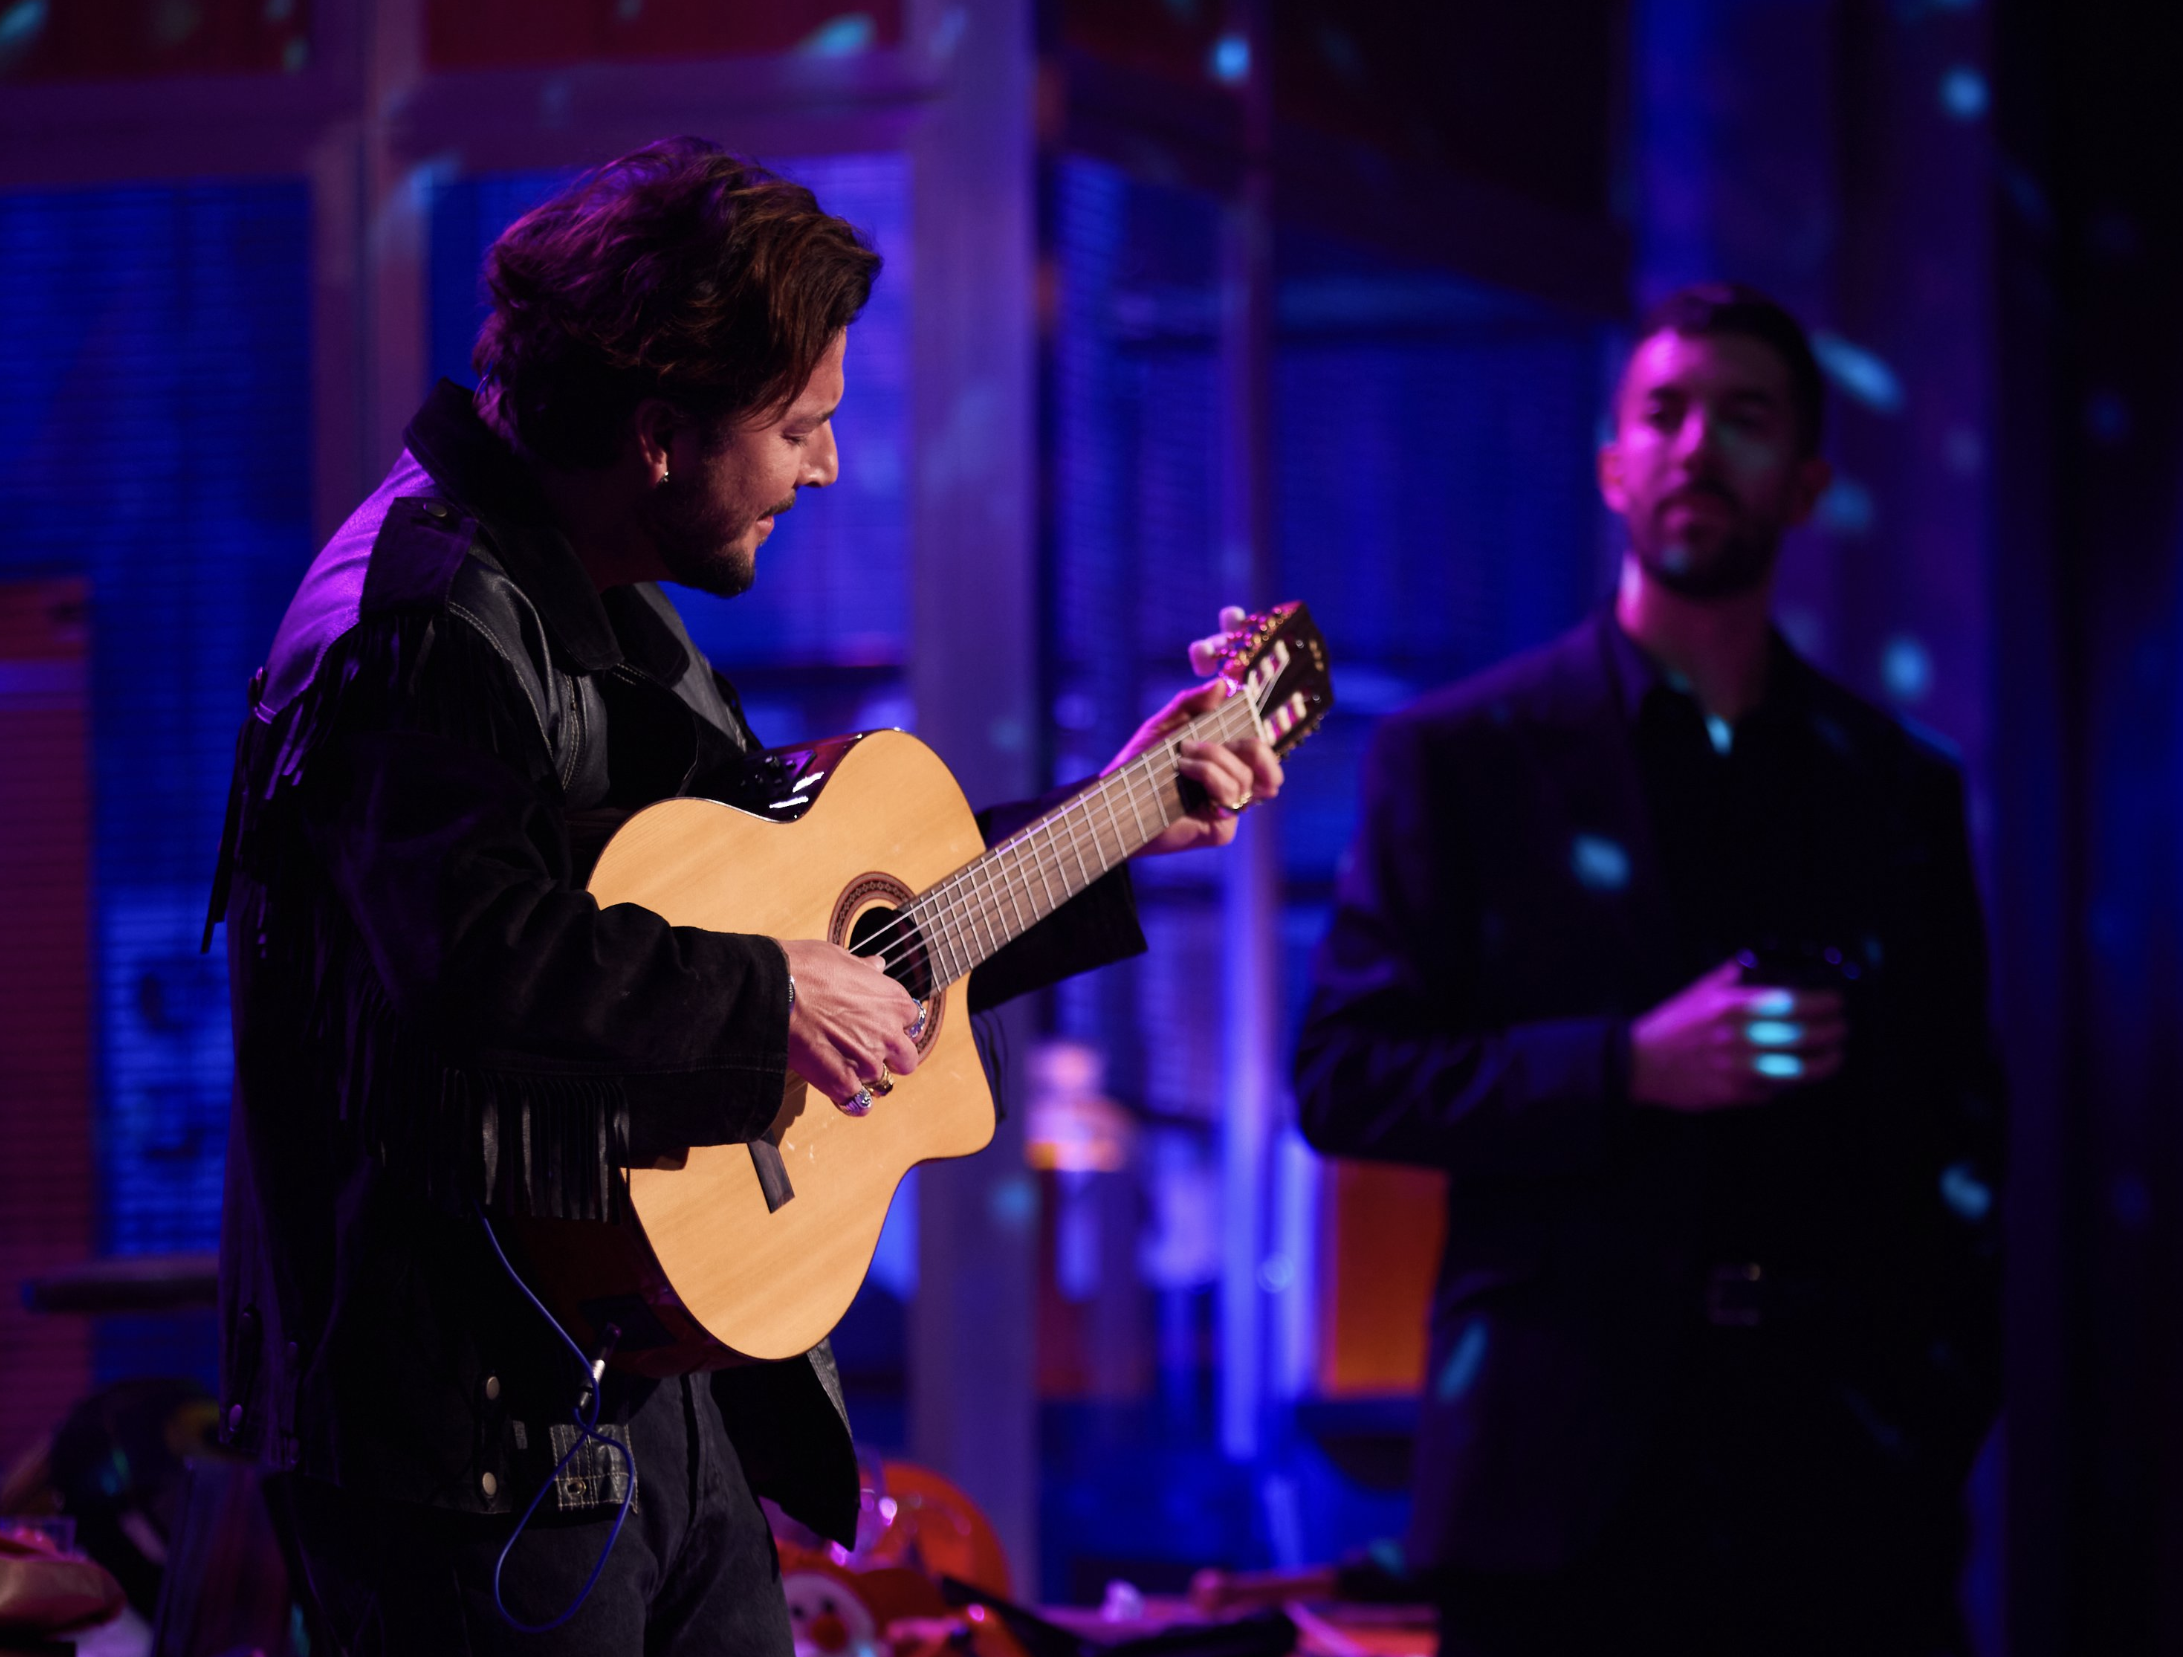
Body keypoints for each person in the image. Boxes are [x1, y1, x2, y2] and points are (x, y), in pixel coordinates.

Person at [207, 137, 1280, 1654]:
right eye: (799, 428)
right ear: (659, 434)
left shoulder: (591, 584)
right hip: (467, 1445)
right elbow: (467, 950)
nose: (827, 467)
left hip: (643, 1383)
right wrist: (776, 1000)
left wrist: (1123, 814)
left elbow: (826, 915)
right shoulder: (425, 618)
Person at [1293, 283, 2002, 1653]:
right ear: (1613, 466)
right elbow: (1344, 1077)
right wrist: (1628, 1066)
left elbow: (1962, 1141)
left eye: (1743, 419)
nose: (1696, 447)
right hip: (1553, 1491)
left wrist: (1933, 1417)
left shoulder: (1896, 788)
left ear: (1804, 484)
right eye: (1664, 414)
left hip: (1842, 1494)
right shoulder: (1462, 757)